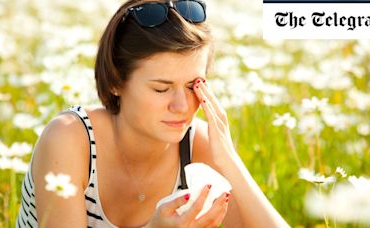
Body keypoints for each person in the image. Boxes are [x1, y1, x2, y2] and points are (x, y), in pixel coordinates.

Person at [16, 0, 289, 227]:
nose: (182, 106)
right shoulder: (70, 138)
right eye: (161, 89)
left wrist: (229, 159)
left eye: (194, 85)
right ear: (115, 81)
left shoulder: (197, 147)